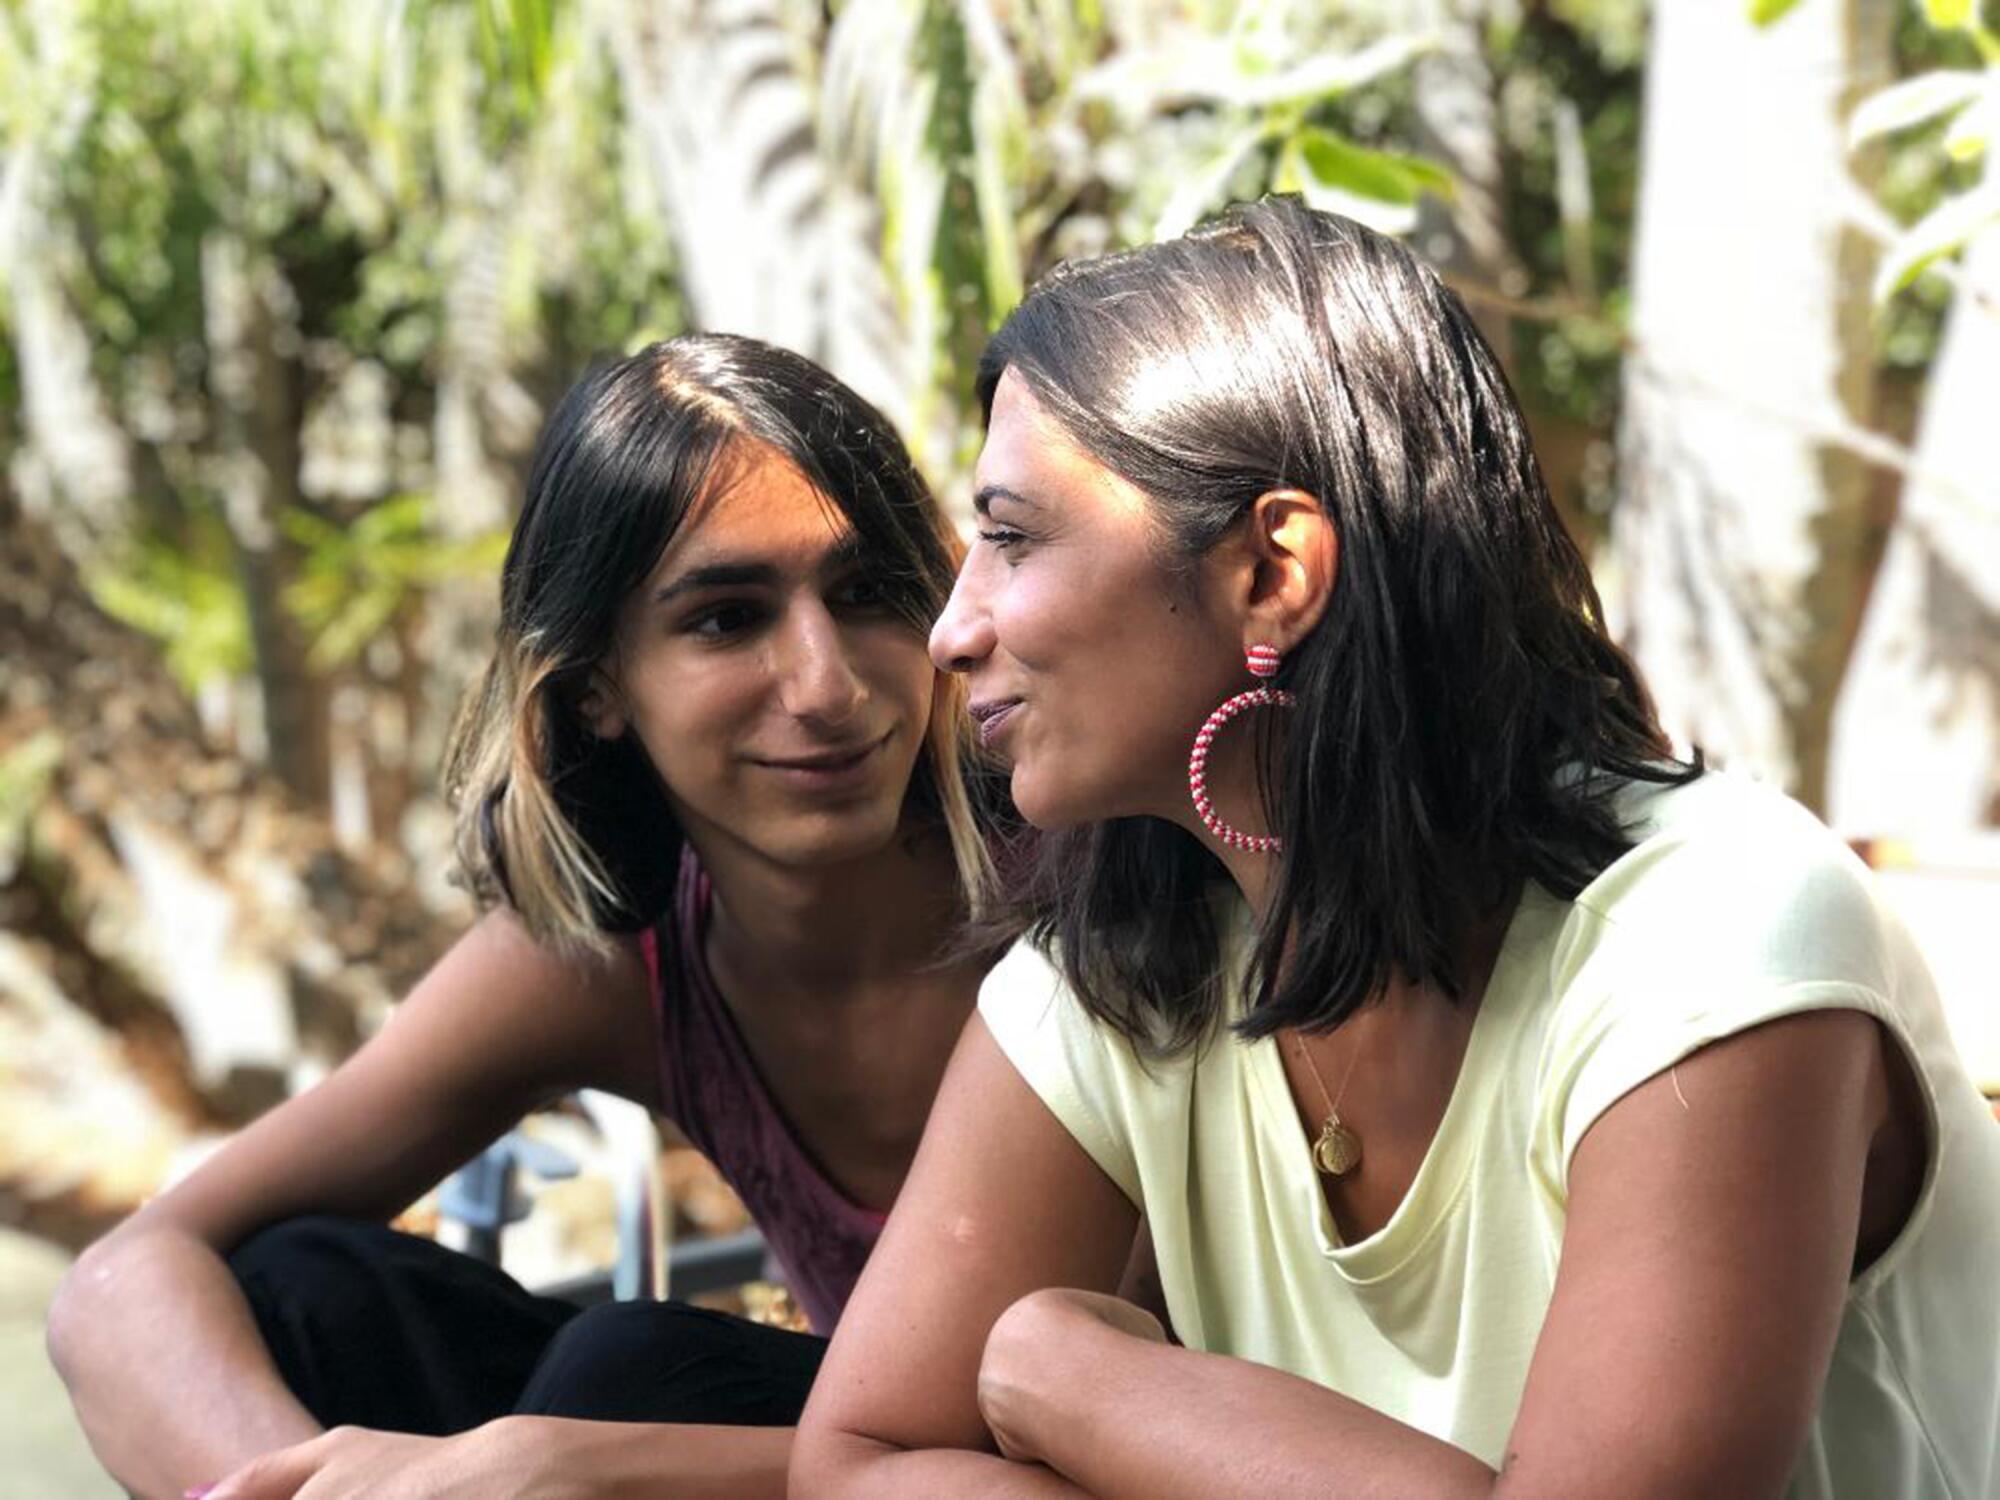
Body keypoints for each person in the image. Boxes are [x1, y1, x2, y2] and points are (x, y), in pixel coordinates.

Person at [791, 199, 2000, 1498]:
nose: (950, 629)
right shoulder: (1132, 969)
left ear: (1274, 570)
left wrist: (1074, 1376)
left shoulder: (1714, 937)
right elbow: (860, 1463)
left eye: (1014, 536)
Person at [46, 333, 1008, 1500]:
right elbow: (125, 1278)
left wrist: (583, 1462)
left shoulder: (1078, 892)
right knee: (302, 1288)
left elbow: (1142, 1418)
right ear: (597, 683)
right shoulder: (618, 962)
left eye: (865, 595)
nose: (827, 686)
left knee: (637, 1372)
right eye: (725, 619)